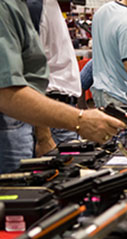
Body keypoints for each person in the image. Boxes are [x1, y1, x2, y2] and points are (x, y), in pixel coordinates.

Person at [0, 0, 126, 173]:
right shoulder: (24, 6)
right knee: (20, 191)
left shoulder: (44, 6)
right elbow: (8, 89)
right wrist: (76, 122)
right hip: (26, 117)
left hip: (47, 112)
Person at [27, 0, 84, 156]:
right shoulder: (36, 7)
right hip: (52, 117)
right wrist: (44, 136)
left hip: (61, 112)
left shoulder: (51, 6)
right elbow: (30, 73)